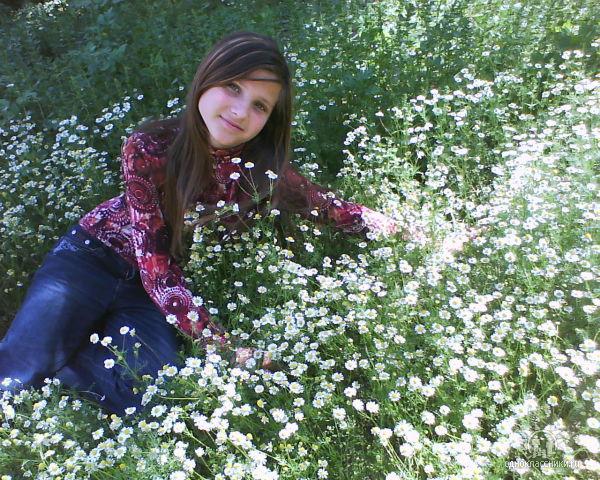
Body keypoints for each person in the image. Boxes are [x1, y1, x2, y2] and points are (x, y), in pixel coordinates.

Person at [0, 31, 401, 415]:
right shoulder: (150, 148)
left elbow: (334, 209)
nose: (240, 111)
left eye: (260, 106)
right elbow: (157, 269)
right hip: (90, 259)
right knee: (14, 378)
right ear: (207, 78)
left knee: (158, 399)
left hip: (147, 292)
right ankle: (56, 349)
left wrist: (409, 232)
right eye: (233, 87)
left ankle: (69, 357)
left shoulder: (261, 171)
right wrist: (221, 345)